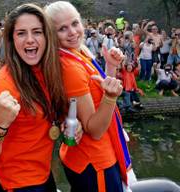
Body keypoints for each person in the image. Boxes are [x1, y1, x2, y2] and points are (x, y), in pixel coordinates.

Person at [0, 4, 74, 191]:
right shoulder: (5, 82)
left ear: (47, 36)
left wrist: (69, 123)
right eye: (21, 33)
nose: (30, 40)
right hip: (16, 184)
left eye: (37, 32)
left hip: (44, 176)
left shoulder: (47, 72)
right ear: (12, 40)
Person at [45, 1, 131, 192]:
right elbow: (94, 129)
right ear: (51, 34)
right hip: (95, 161)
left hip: (85, 159)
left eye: (75, 23)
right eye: (62, 29)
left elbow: (97, 92)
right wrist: (111, 98)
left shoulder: (77, 52)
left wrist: (110, 67)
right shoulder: (70, 67)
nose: (73, 32)